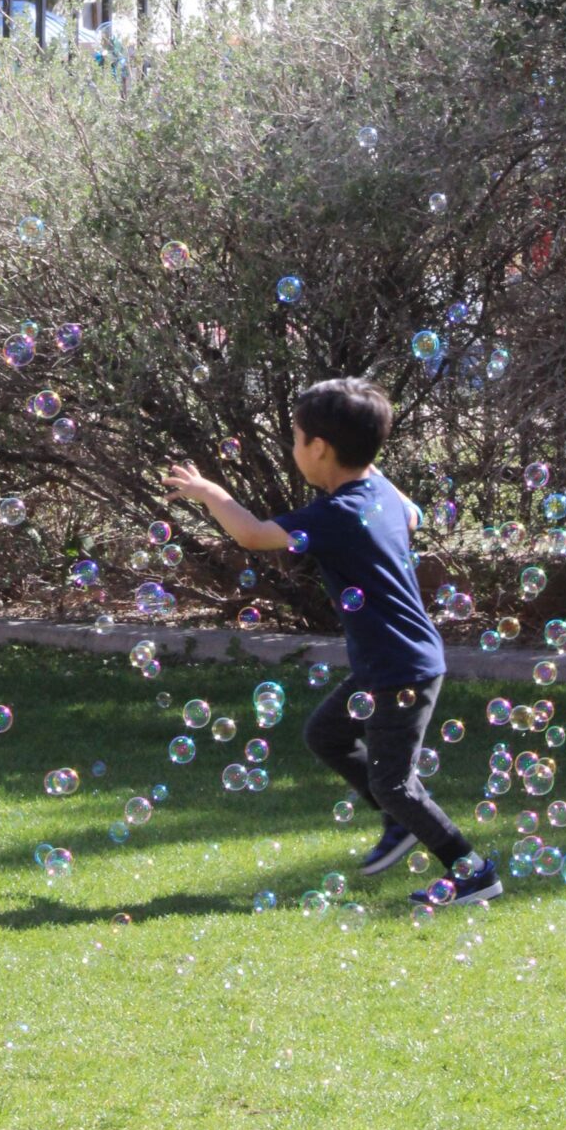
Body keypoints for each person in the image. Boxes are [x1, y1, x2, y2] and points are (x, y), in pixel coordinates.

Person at [163, 376, 500, 908]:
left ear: (318, 448)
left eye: (296, 439)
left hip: (398, 664)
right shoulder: (381, 492)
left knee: (394, 783)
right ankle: (402, 818)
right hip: (391, 657)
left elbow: (252, 535)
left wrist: (212, 494)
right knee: (326, 734)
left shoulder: (337, 514)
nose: (295, 449)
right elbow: (412, 514)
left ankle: (472, 870)